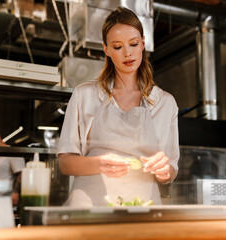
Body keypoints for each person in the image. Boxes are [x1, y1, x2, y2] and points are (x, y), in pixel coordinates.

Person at [57, 7, 180, 207]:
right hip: (89, 205)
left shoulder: (165, 103)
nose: (127, 53)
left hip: (143, 206)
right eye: (117, 47)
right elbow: (65, 163)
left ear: (142, 42)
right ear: (106, 49)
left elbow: (171, 170)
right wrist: (99, 163)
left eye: (133, 44)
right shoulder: (84, 95)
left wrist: (165, 171)